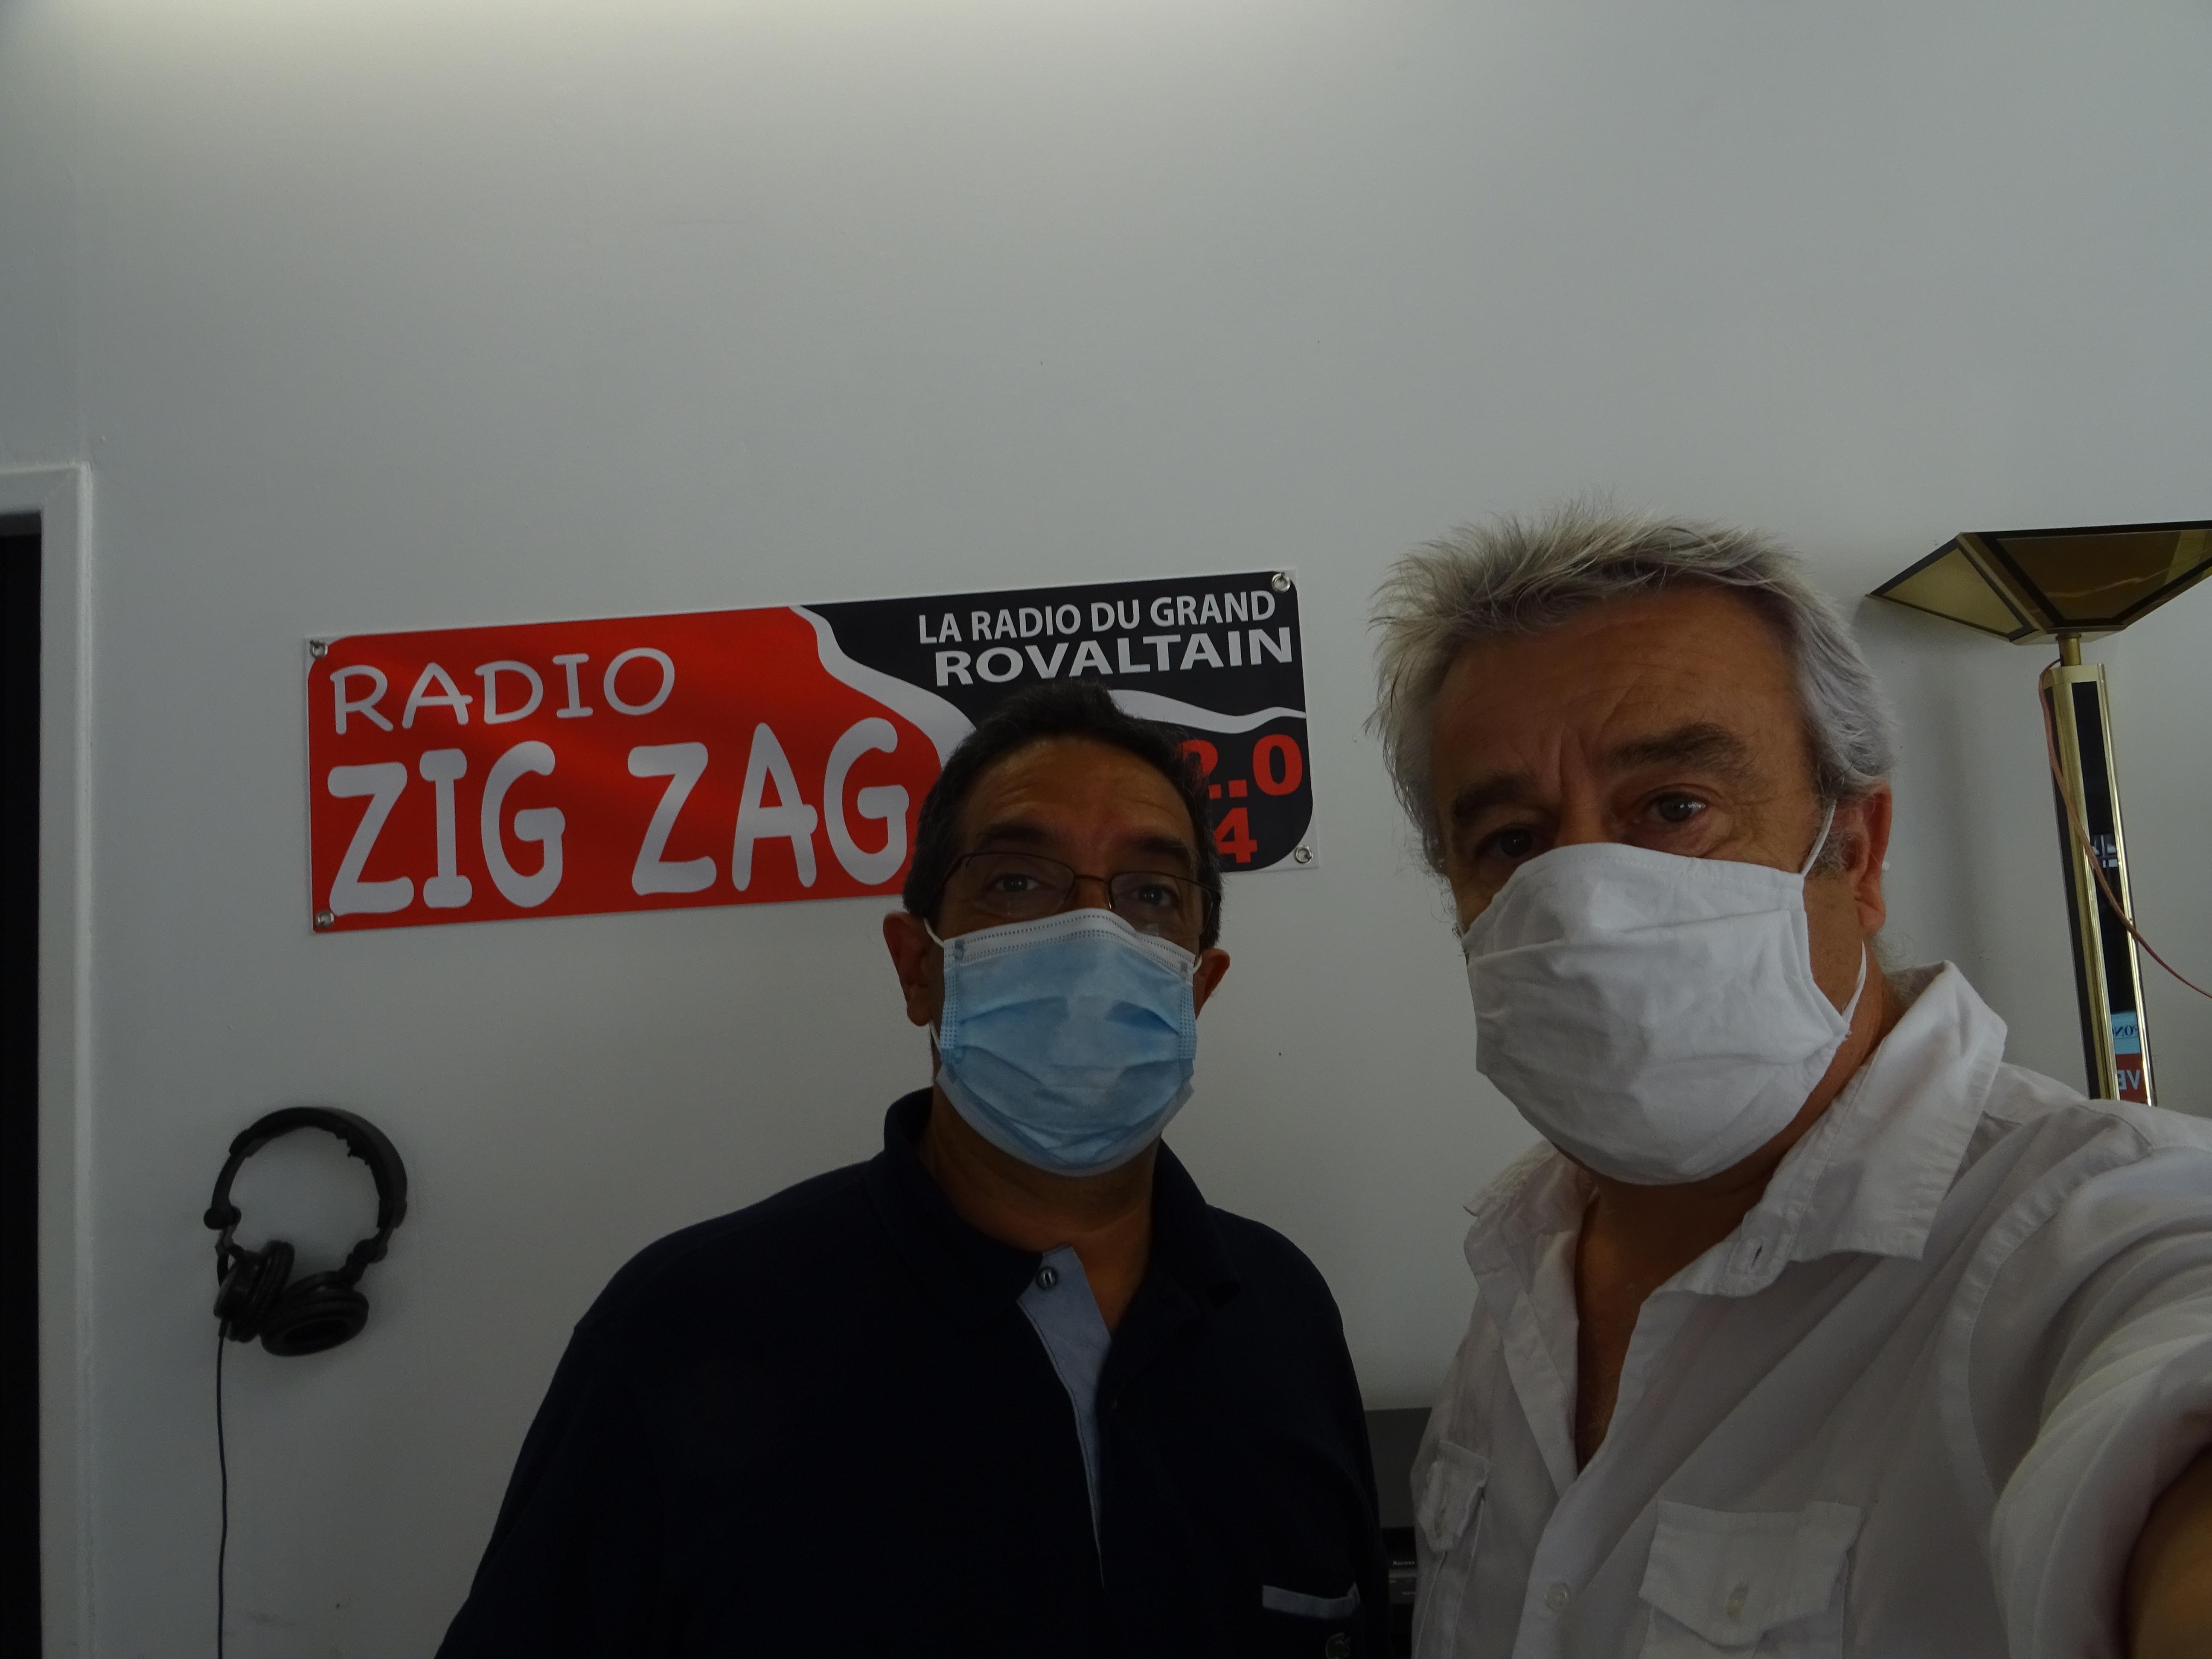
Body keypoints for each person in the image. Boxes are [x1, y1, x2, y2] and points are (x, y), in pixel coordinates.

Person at [1369, 507, 2212, 1659]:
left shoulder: (2084, 1241)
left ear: (1855, 853)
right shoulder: (1523, 1265)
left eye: (1675, 807)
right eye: (1512, 841)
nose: (1588, 896)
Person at [437, 679, 1387, 1658]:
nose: (1090, 934)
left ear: (1199, 986)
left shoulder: (1286, 1314)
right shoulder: (682, 1327)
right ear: (917, 967)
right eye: (1018, 881)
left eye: (1151, 894)